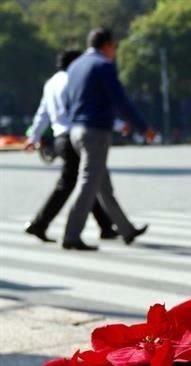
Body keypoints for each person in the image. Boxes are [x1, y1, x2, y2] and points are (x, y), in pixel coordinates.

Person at [60, 28, 153, 251]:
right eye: (115, 47)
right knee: (88, 183)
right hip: (95, 132)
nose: (115, 52)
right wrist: (142, 126)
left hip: (76, 130)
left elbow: (67, 99)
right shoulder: (103, 65)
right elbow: (120, 99)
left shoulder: (76, 65)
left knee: (102, 184)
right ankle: (71, 235)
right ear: (108, 45)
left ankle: (126, 229)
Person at [23, 49, 116, 243]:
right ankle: (40, 223)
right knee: (79, 182)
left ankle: (105, 225)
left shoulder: (51, 83)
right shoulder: (71, 81)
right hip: (75, 135)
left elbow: (43, 113)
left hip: (60, 138)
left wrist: (34, 136)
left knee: (86, 181)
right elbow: (85, 109)